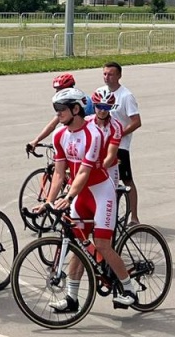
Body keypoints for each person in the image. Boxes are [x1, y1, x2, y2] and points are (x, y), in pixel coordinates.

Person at [41, 87, 137, 311]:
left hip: (100, 191)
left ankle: (129, 287)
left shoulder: (92, 134)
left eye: (61, 109)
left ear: (76, 109)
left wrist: (68, 196)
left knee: (102, 244)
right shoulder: (59, 136)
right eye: (55, 109)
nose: (57, 114)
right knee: (79, 243)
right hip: (81, 194)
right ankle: (72, 298)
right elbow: (58, 173)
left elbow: (84, 172)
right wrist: (48, 200)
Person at [103, 61, 142, 224]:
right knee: (104, 180)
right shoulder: (101, 93)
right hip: (103, 145)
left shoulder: (126, 96)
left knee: (126, 180)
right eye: (105, 74)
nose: (107, 77)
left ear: (119, 76)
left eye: (110, 74)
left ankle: (134, 217)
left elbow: (136, 122)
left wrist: (118, 135)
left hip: (120, 146)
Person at [27, 73, 95, 151]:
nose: (57, 93)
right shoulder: (68, 102)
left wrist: (37, 140)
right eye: (57, 90)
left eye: (60, 90)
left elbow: (53, 124)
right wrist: (36, 140)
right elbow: (52, 125)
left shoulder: (79, 101)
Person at [87, 86, 122, 186]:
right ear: (94, 105)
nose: (102, 111)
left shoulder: (116, 126)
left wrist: (98, 172)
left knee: (111, 196)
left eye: (106, 107)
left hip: (109, 166)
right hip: (89, 165)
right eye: (99, 106)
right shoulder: (86, 122)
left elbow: (110, 156)